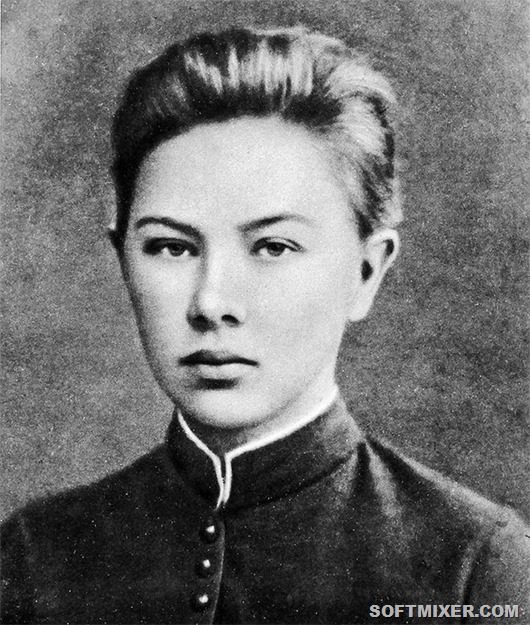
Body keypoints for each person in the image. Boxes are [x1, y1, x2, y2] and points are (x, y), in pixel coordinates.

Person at [1, 26, 529, 625]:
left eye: (273, 247)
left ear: (366, 272)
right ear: (123, 260)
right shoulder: (31, 556)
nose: (211, 303)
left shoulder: (474, 567)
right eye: (172, 248)